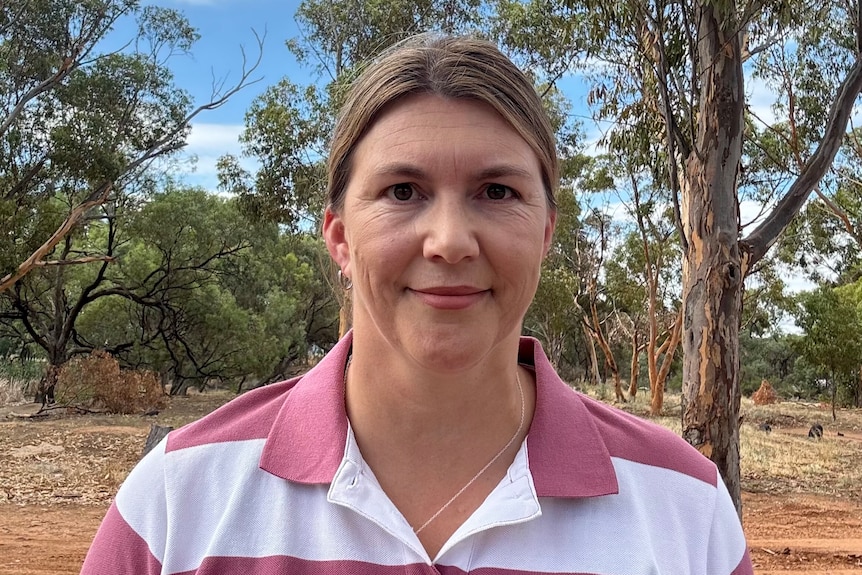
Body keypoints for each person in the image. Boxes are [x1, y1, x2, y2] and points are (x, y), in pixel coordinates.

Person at [81, 34, 754, 575]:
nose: (451, 240)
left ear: (546, 232)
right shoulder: (178, 499)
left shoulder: (684, 508)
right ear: (339, 236)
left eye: (497, 192)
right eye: (403, 191)